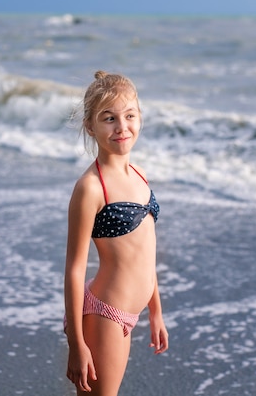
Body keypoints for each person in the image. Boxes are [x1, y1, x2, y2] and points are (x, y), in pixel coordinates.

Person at [64, 70, 169, 395]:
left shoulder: (139, 173)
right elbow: (74, 268)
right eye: (109, 118)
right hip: (106, 313)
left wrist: (156, 311)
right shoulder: (92, 188)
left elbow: (145, 250)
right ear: (91, 127)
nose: (122, 127)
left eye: (129, 116)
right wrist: (77, 344)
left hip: (133, 309)